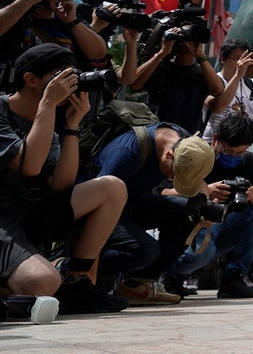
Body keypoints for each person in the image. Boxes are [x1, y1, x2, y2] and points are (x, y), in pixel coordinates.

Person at [0, 44, 127, 314]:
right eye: (58, 76)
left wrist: (71, 127)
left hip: (30, 213)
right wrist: (47, 103)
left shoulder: (50, 122)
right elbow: (29, 166)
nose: (67, 84)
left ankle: (74, 280)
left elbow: (61, 185)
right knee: (41, 281)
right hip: (2, 217)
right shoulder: (1, 110)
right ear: (31, 79)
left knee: (112, 189)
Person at [92, 111, 214, 305]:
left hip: (131, 202)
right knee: (146, 250)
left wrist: (204, 206)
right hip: (100, 209)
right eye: (175, 175)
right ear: (168, 154)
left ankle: (138, 284)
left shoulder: (185, 144)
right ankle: (77, 270)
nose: (172, 180)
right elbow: (96, 201)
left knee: (192, 213)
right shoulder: (127, 151)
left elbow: (200, 181)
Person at [162, 114, 253, 299]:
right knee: (204, 250)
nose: (235, 157)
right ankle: (172, 276)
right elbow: (164, 193)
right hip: (199, 226)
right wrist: (206, 191)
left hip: (228, 224)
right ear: (215, 140)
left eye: (240, 153)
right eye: (229, 151)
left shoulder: (250, 161)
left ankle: (234, 277)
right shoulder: (198, 157)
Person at [132, 34, 224, 137]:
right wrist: (162, 53)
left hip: (188, 139)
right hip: (158, 136)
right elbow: (135, 84)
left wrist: (201, 56)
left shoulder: (202, 73)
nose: (189, 44)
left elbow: (218, 90)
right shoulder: (161, 68)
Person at [202, 38, 253, 155]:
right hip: (217, 148)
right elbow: (218, 107)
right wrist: (238, 75)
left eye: (245, 59)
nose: (241, 63)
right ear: (222, 59)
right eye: (237, 58)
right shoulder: (214, 82)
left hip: (246, 149)